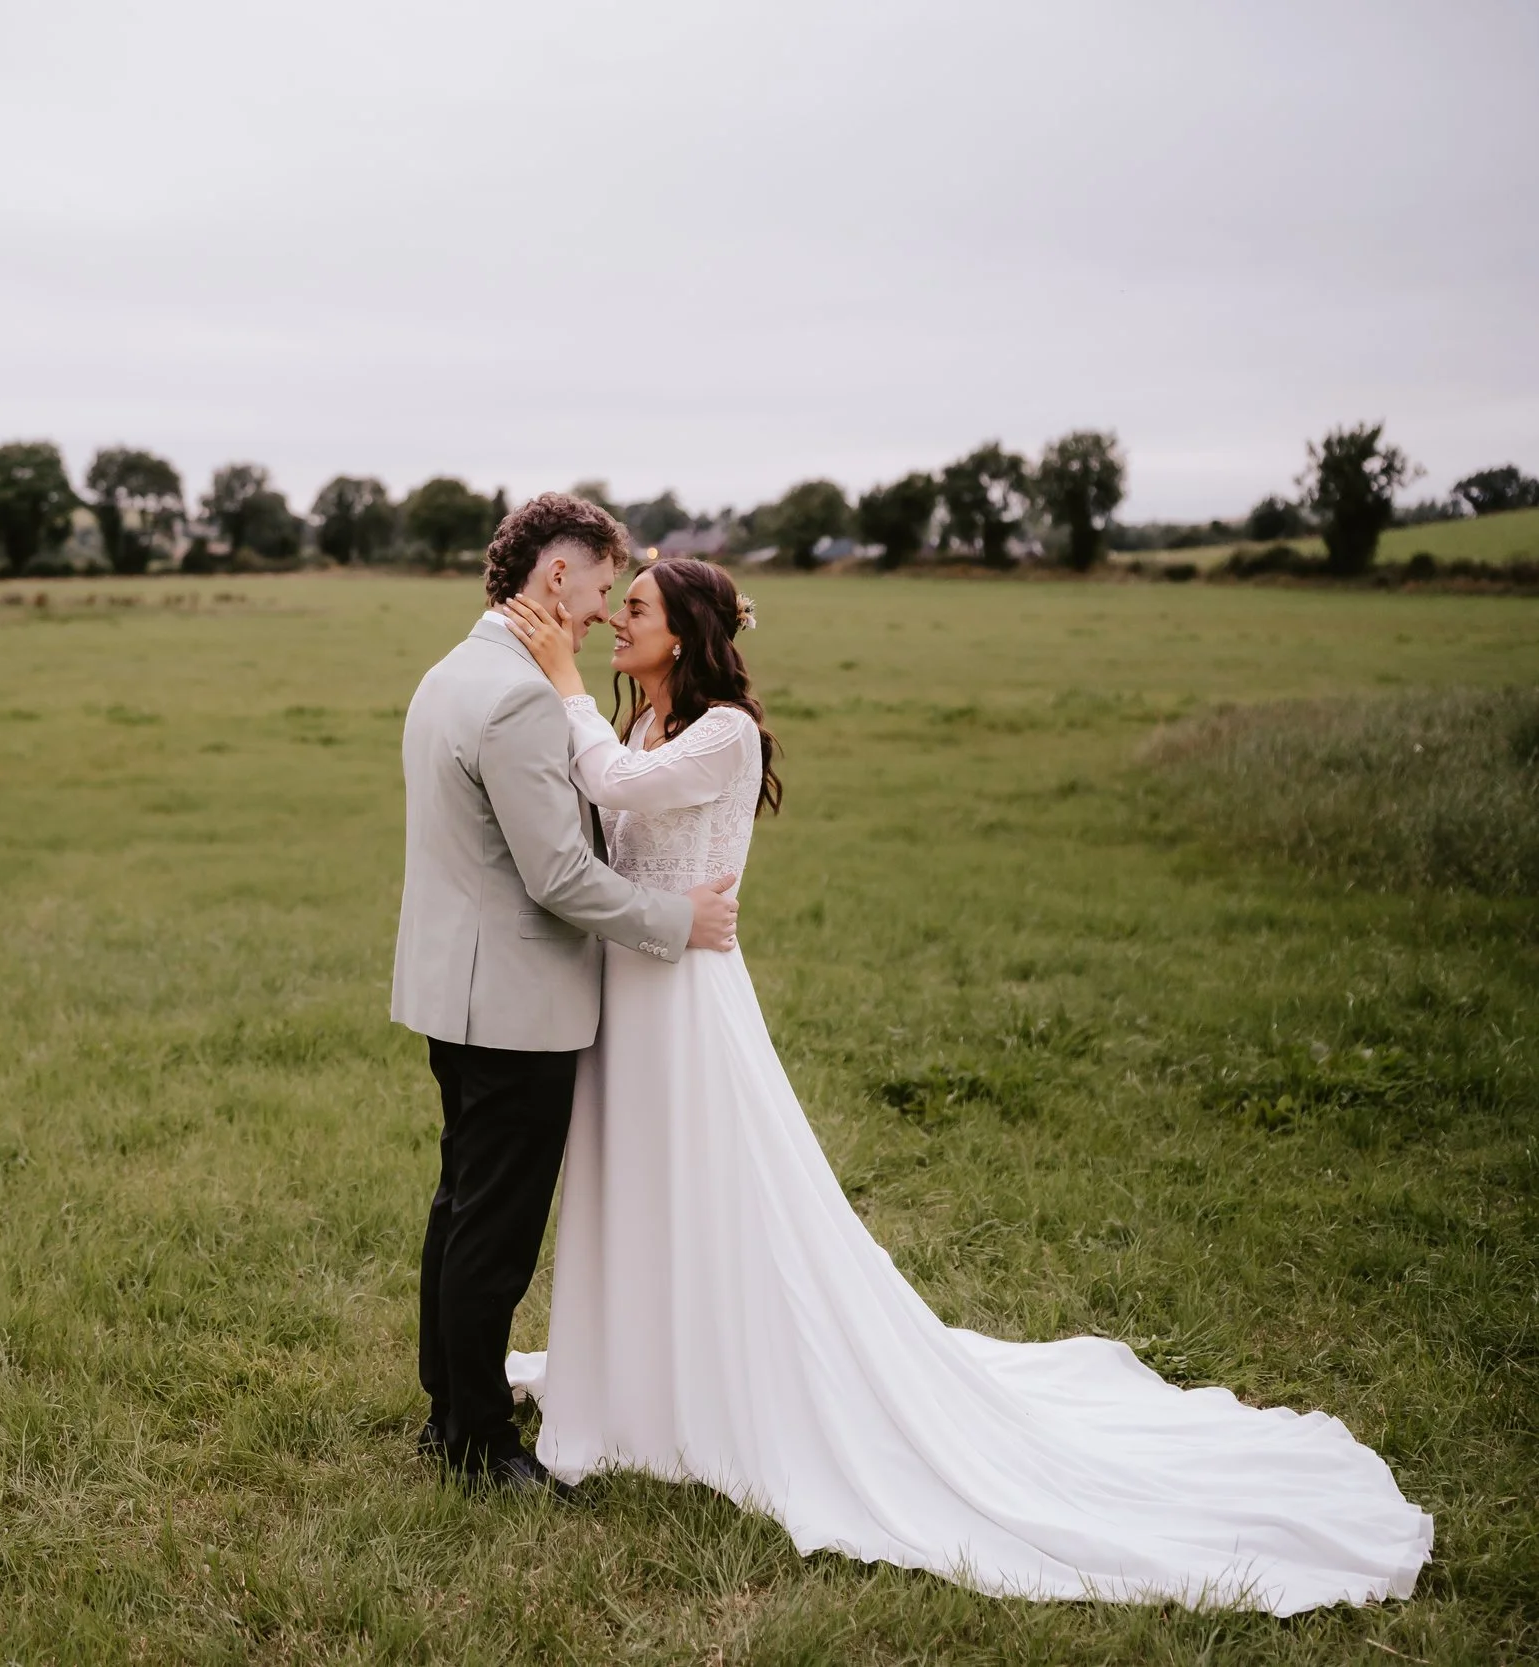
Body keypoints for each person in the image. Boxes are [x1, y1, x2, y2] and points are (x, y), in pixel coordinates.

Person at [493, 555, 1434, 1613]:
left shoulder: (723, 733)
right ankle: (632, 1378)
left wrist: (562, 678)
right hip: (631, 987)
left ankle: (718, 1384)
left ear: (690, 631)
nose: (618, 620)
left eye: (637, 609)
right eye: (617, 609)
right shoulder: (636, 724)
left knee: (708, 1188)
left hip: (689, 1001)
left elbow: (618, 794)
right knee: (631, 1187)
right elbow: (603, 801)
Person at [390, 493, 740, 1496]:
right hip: (514, 1006)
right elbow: (557, 875)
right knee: (492, 1233)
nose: (597, 610)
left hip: (455, 994)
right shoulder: (514, 698)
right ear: (555, 574)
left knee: (461, 1207)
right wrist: (680, 923)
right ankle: (479, 1442)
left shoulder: (449, 671)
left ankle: (448, 1413)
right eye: (596, 587)